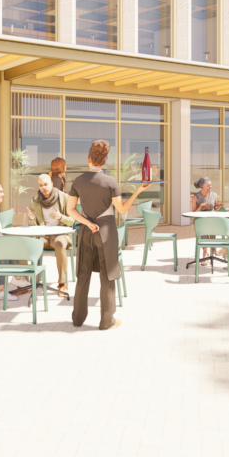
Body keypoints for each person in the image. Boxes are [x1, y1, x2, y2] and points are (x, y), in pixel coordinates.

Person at [67, 140, 151, 331]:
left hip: (86, 230)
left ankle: (78, 319)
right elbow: (121, 210)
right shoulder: (110, 181)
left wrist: (87, 223)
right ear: (104, 161)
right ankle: (107, 321)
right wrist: (137, 191)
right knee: (107, 275)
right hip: (106, 231)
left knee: (82, 273)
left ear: (89, 159)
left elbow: (70, 209)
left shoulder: (78, 181)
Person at [28, 173, 74, 299]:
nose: (44, 187)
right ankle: (30, 281)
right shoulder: (35, 201)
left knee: (60, 244)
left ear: (52, 184)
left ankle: (62, 283)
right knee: (31, 245)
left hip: (59, 234)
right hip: (43, 235)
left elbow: (73, 221)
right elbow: (32, 227)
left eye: (46, 184)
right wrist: (31, 220)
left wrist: (61, 217)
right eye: (40, 185)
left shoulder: (64, 198)